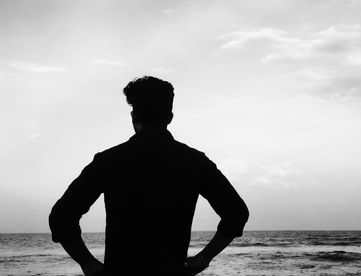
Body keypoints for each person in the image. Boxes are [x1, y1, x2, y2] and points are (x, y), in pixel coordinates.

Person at [49, 76, 249, 275]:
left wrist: (88, 263)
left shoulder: (109, 161)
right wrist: (204, 257)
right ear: (170, 117)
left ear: (133, 115)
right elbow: (236, 213)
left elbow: (61, 217)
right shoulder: (195, 162)